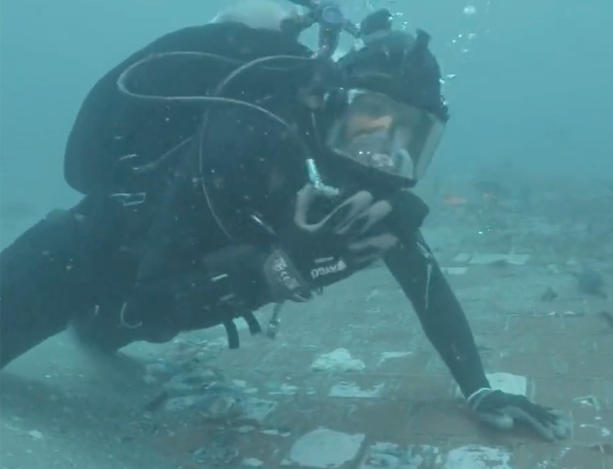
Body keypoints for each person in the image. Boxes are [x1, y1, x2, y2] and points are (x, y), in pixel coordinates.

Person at [0, 1, 569, 441]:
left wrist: (478, 389)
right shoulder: (247, 141)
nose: (378, 159)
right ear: (331, 103)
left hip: (148, 308)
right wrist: (273, 273)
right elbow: (148, 289)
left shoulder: (366, 197)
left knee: (101, 332)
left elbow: (427, 286)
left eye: (406, 143)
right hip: (80, 257)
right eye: (372, 127)